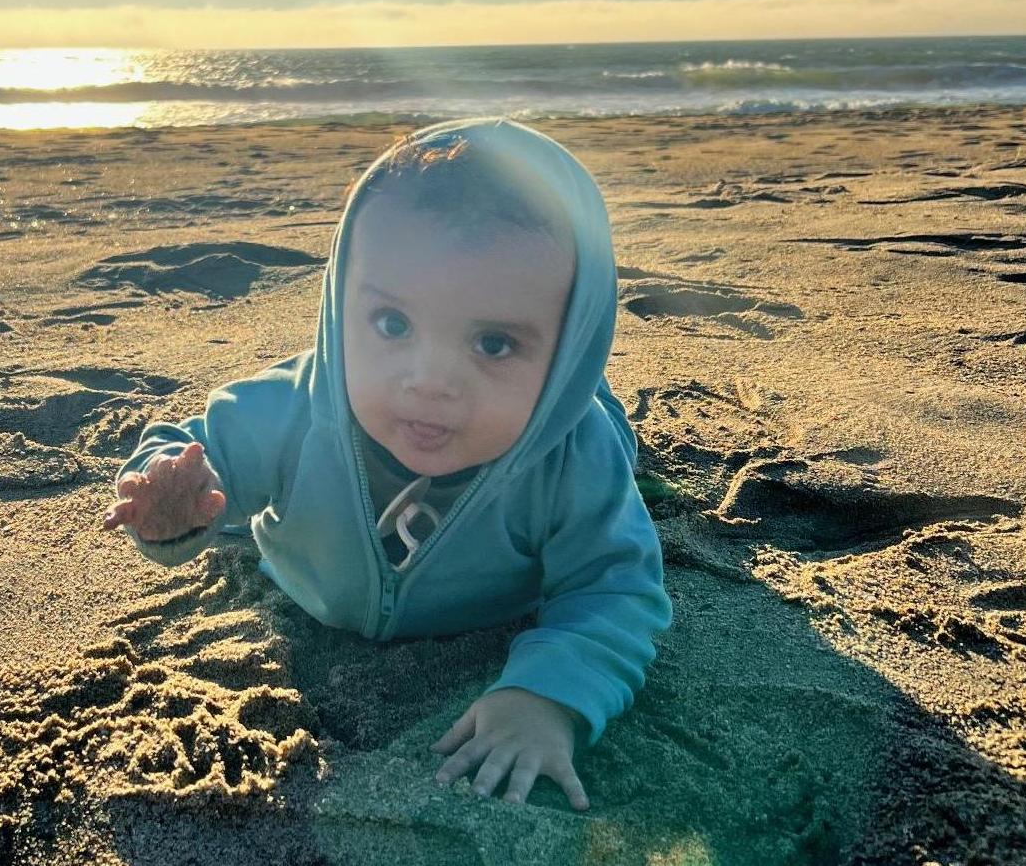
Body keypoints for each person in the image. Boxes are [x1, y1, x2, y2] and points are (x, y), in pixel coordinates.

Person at [102, 116, 671, 810]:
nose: (427, 379)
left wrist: (545, 694)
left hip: (552, 445)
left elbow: (615, 587)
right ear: (342, 303)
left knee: (599, 428)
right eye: (392, 324)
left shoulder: (572, 457)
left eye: (492, 343)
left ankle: (596, 396)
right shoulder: (294, 406)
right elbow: (196, 450)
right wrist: (175, 500)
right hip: (309, 579)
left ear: (567, 348)